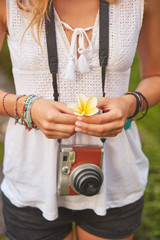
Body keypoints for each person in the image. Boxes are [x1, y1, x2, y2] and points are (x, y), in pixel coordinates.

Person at [0, 0, 160, 239]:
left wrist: (129, 105)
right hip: (31, 179)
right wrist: (27, 108)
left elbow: (155, 75)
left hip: (116, 178)